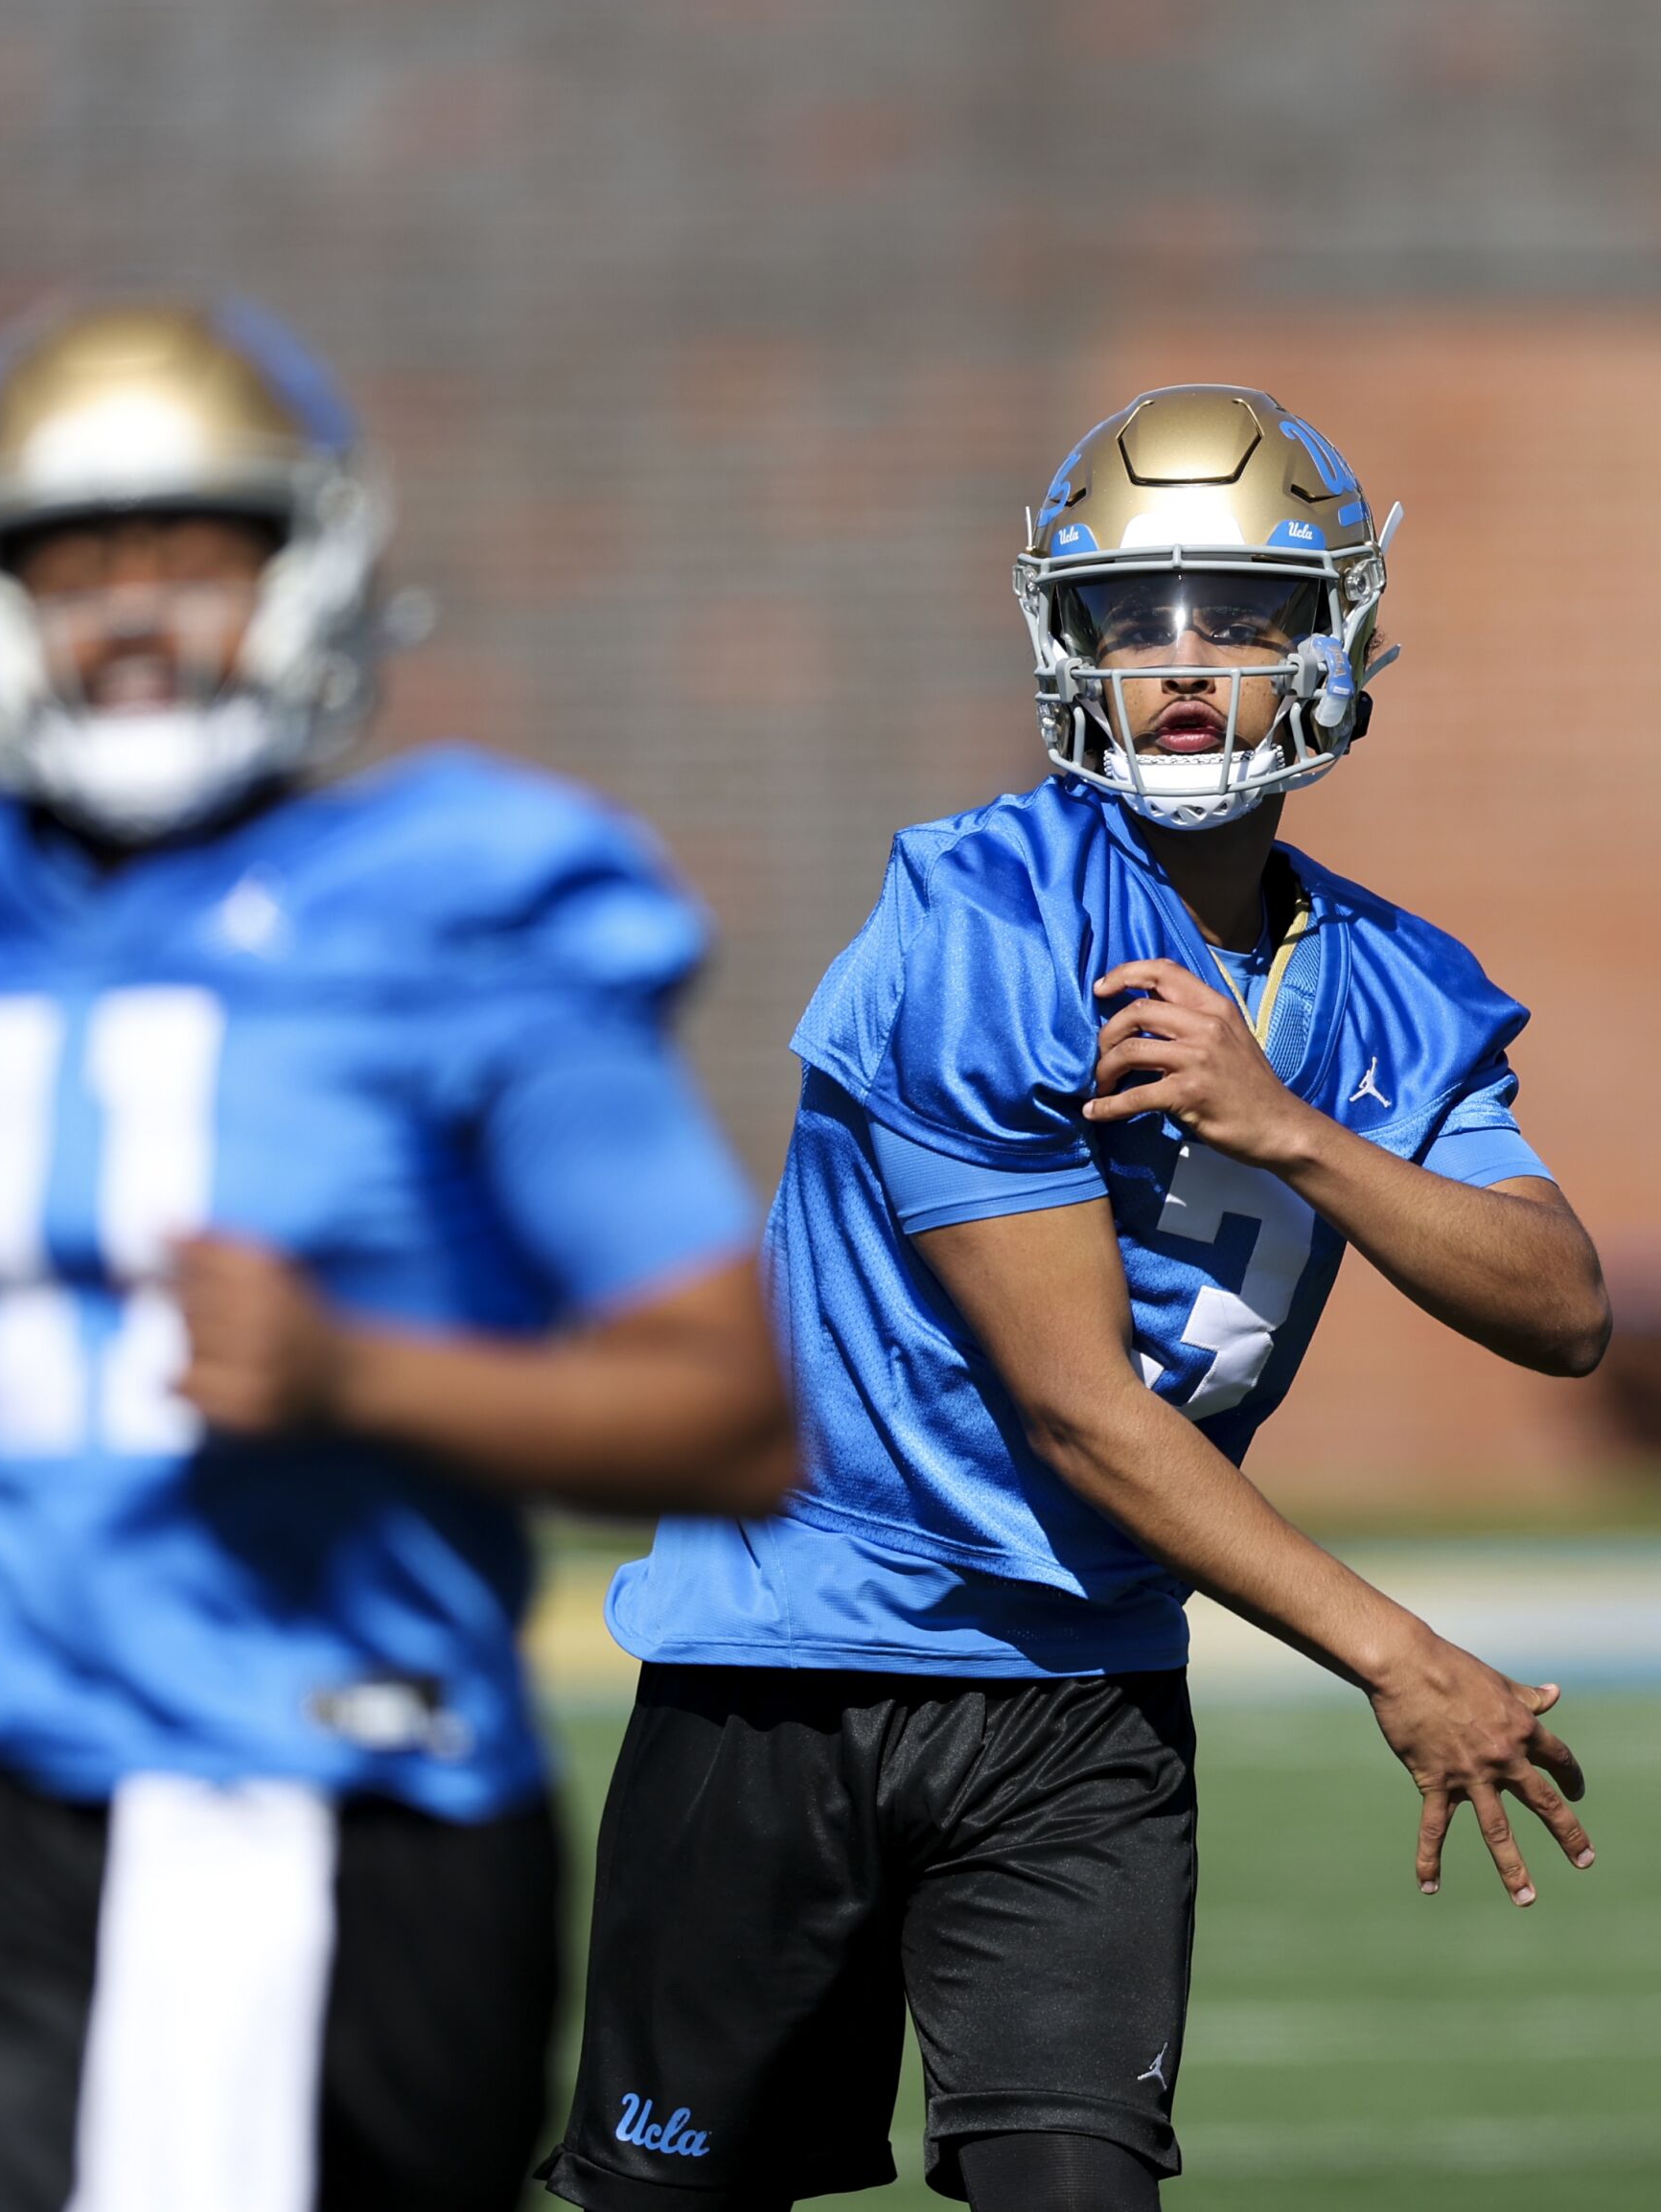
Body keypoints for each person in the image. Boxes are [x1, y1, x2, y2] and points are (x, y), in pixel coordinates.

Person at [0, 299, 792, 2212]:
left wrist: (357, 1377)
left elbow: (731, 1416)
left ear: (308, 575)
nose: (135, 616)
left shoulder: (469, 905)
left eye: (194, 556)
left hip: (311, 1794)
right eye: (73, 567)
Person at [543, 383, 1611, 2212]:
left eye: (1244, 618)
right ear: (1069, 647)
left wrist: (1297, 1136)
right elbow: (1075, 1406)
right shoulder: (978, 918)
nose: (1186, 666)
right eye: (1135, 620)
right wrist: (1399, 1655)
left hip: (1082, 1694)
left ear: (1334, 641)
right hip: (799, 1660)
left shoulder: (1402, 984)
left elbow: (1560, 1302)